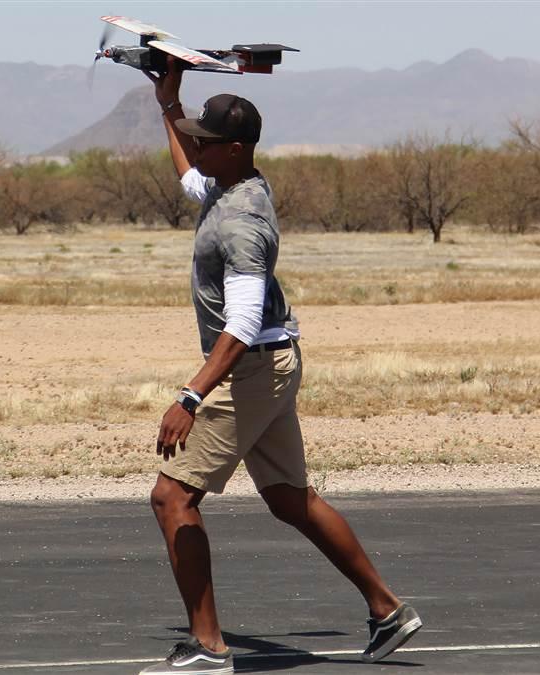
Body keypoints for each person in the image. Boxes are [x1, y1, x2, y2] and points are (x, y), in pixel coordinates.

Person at [137, 59, 422, 675]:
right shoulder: (232, 185)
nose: (195, 147)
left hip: (252, 367)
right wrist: (169, 103)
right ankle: (388, 610)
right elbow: (190, 180)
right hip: (273, 362)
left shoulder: (243, 223)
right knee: (290, 499)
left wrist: (190, 397)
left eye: (206, 140)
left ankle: (208, 647)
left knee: (172, 496)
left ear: (235, 149)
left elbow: (240, 326)